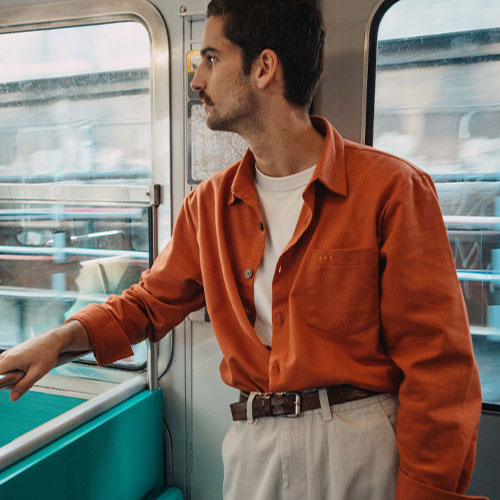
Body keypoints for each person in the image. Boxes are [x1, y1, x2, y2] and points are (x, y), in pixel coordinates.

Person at [0, 1, 488, 499]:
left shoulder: (391, 189)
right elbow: (149, 304)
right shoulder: (208, 206)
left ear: (263, 68)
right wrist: (59, 341)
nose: (196, 80)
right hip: (254, 444)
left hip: (357, 440)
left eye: (210, 58)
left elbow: (439, 368)